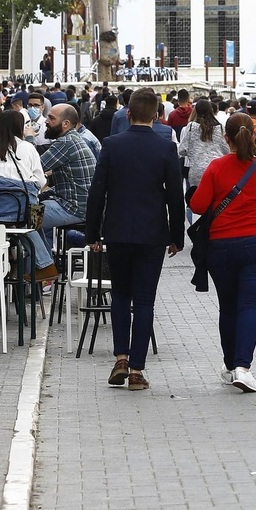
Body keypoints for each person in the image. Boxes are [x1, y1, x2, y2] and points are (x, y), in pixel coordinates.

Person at [85, 89, 186, 391]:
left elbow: (97, 192)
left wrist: (93, 233)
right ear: (156, 116)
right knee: (144, 301)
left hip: (117, 232)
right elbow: (174, 197)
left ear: (127, 113)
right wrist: (176, 236)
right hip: (152, 234)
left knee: (120, 295)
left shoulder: (111, 145)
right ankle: (138, 371)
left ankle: (120, 358)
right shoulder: (165, 148)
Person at [192, 113, 256, 392]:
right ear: (254, 136)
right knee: (250, 307)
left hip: (221, 247)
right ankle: (243, 368)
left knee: (229, 307)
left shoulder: (216, 167)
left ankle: (229, 364)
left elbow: (198, 206)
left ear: (226, 139)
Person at [0, 110, 55, 278]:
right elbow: (40, 182)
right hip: (23, 212)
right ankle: (43, 267)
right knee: (35, 220)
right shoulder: (28, 148)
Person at [40, 103, 98, 243]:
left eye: (51, 118)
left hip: (75, 209)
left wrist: (28, 139)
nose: (46, 121)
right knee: (35, 222)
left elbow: (35, 167)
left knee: (25, 217)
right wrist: (42, 196)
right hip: (82, 206)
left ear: (65, 123)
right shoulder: (73, 138)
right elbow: (67, 186)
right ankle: (43, 262)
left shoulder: (66, 142)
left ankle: (43, 264)